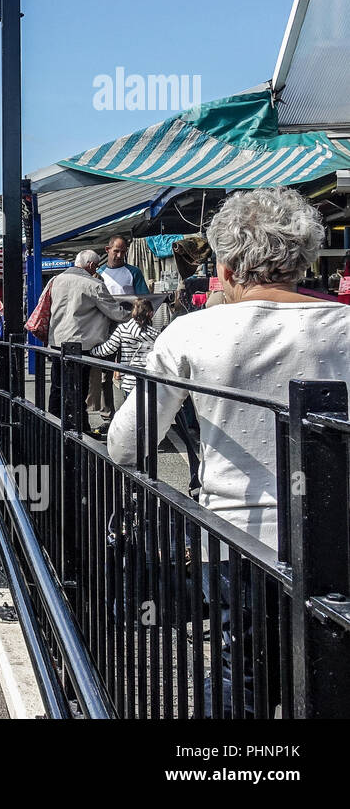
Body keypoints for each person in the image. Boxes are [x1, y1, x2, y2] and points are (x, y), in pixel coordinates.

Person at [106, 188, 350, 714]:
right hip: (340, 535)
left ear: (228, 262)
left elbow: (127, 442)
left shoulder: (192, 331)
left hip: (238, 539)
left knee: (244, 675)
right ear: (305, 255)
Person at [46, 251, 129, 433]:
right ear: (91, 265)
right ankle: (78, 428)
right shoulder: (94, 284)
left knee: (57, 387)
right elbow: (116, 313)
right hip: (79, 343)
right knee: (78, 388)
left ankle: (52, 424)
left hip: (56, 341)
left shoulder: (56, 280)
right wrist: (135, 314)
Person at [89, 297, 159, 410]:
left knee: (131, 412)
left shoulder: (122, 329)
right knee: (146, 411)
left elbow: (108, 349)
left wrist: (92, 351)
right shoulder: (155, 334)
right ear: (150, 314)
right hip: (148, 379)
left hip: (129, 378)